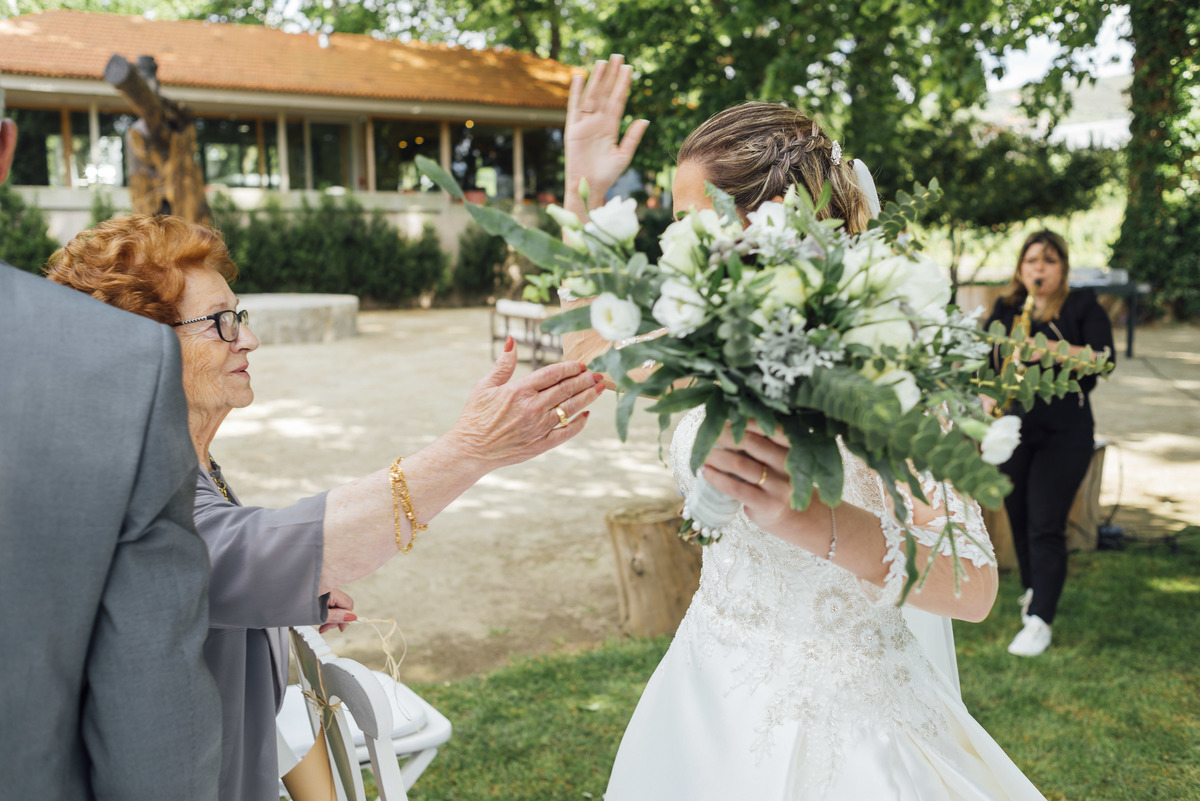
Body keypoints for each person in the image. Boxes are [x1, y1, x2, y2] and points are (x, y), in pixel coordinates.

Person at [564, 57, 1048, 799]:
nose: (677, 250)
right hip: (704, 693)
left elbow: (973, 584)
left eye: (695, 225)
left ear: (776, 223)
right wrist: (586, 187)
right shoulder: (698, 338)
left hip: (846, 723)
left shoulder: (884, 356)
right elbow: (589, 345)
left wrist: (814, 517)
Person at [45, 213, 606, 801]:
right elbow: (244, 547)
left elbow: (215, 572)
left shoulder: (172, 454)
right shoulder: (129, 483)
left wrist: (283, 590)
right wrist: (468, 451)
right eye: (221, 323)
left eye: (239, 316)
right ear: (144, 347)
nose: (249, 339)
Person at [0, 77, 221, 800]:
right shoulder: (111, 377)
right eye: (220, 320)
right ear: (6, 150)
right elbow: (155, 733)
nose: (248, 338)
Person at [984, 231, 1114, 658]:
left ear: (1064, 267)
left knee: (1045, 523)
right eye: (1032, 260)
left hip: (1066, 431)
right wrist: (986, 397)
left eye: (1050, 260)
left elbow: (1102, 360)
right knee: (1018, 518)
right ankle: (1034, 594)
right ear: (1020, 267)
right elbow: (989, 370)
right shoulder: (1006, 309)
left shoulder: (1082, 306)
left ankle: (1039, 620)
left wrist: (1051, 350)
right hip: (1015, 429)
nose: (1039, 268)